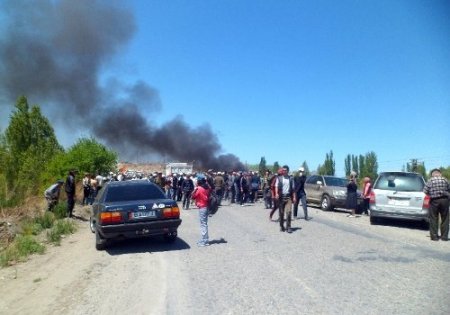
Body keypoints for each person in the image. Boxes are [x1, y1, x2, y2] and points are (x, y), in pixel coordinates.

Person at [423, 168, 450, 241]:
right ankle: (444, 237)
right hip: (445, 200)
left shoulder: (430, 181)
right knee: (445, 219)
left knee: (433, 218)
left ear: (432, 174)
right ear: (440, 173)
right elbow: (448, 189)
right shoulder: (445, 180)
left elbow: (425, 191)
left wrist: (431, 194)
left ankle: (434, 237)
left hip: (434, 201)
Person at [275, 165, 296, 233]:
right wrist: (276, 193)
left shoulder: (291, 179)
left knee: (289, 212)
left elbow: (293, 189)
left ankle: (288, 227)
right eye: (283, 170)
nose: (283, 171)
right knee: (281, 213)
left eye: (285, 170)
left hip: (288, 197)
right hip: (281, 197)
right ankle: (281, 226)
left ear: (287, 171)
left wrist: (294, 197)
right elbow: (276, 186)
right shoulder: (279, 178)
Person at [191, 175, 211, 247]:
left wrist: (195, 189)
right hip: (206, 207)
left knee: (203, 224)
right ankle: (204, 239)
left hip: (202, 207)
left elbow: (192, 196)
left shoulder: (199, 188)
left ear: (199, 181)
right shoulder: (207, 187)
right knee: (204, 223)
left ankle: (205, 241)